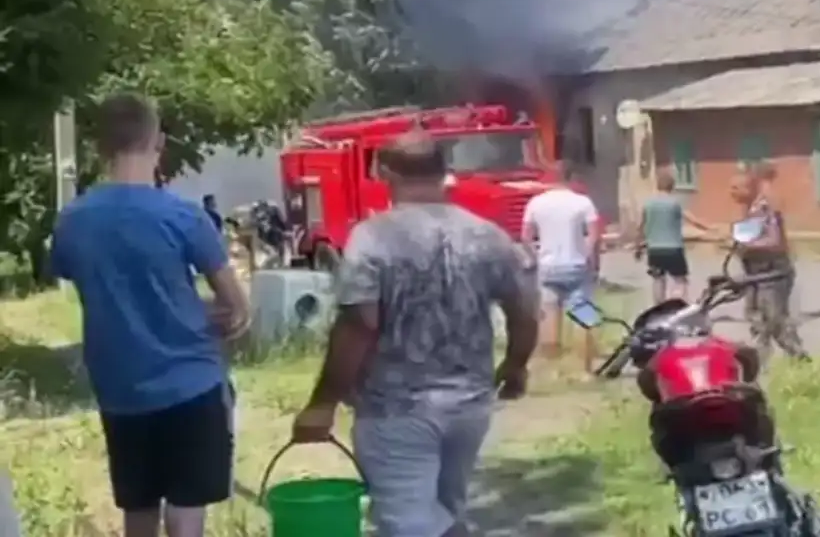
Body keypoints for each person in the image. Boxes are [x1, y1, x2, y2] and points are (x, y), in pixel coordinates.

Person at [291, 130, 539, 537]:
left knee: (408, 524)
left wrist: (322, 404)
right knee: (445, 511)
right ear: (445, 172)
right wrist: (515, 366)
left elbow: (358, 324)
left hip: (396, 410)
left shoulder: (373, 237)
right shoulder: (487, 234)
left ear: (385, 173)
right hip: (470, 404)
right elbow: (524, 311)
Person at [49, 93, 251, 537]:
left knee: (138, 511)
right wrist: (209, 315)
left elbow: (77, 277)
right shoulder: (183, 217)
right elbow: (236, 307)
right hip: (190, 384)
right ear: (158, 141)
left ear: (101, 147)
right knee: (185, 511)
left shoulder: (72, 221)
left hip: (120, 389)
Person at [521, 160, 601, 370]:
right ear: (571, 177)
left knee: (549, 314)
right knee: (583, 315)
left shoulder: (536, 202)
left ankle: (553, 369)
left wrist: (535, 257)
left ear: (550, 176)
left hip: (547, 267)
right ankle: (585, 369)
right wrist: (590, 258)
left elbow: (525, 237)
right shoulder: (583, 202)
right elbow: (593, 235)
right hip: (575, 265)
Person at [729, 163, 809, 363]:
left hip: (772, 274)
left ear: (750, 187)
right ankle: (760, 366)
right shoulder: (750, 208)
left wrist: (746, 245)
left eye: (736, 188)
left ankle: (800, 359)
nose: (731, 193)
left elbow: (774, 241)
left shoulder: (765, 207)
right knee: (758, 321)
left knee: (775, 323)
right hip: (755, 275)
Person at [634, 169, 715, 304]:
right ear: (672, 186)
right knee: (680, 280)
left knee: (658, 280)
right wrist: (709, 228)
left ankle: (659, 307)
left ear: (658, 185)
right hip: (674, 248)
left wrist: (638, 246)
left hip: (654, 249)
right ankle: (677, 306)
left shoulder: (648, 204)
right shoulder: (675, 203)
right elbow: (692, 219)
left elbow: (640, 226)